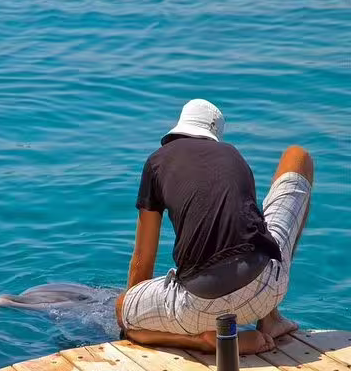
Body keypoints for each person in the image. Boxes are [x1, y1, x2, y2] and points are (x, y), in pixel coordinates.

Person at [115, 99, 313, 355]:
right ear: (214, 137)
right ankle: (271, 318)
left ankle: (204, 341)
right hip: (267, 288)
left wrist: (132, 313)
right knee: (298, 156)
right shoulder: (233, 156)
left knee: (123, 310)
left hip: (197, 309)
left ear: (176, 131)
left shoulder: (156, 162)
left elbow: (143, 259)